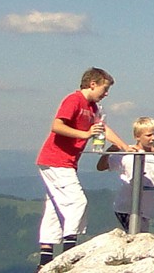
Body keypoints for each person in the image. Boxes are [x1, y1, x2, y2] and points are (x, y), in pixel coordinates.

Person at [35, 67, 129, 267]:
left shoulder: (93, 108)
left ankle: (45, 260)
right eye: (104, 89)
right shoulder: (74, 100)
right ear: (92, 84)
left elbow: (102, 128)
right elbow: (57, 126)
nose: (106, 94)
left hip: (61, 161)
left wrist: (124, 146)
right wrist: (85, 134)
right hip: (56, 160)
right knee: (77, 202)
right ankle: (70, 254)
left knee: (54, 207)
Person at [96, 116, 154, 233]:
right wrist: (110, 151)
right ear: (137, 136)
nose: (153, 138)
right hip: (126, 207)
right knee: (136, 235)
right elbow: (101, 167)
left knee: (141, 236)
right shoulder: (128, 154)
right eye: (148, 135)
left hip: (146, 208)